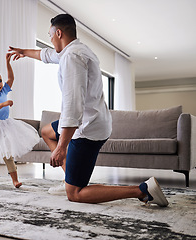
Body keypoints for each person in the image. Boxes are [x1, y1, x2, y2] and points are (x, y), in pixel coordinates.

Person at [9, 14, 168, 206]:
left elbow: (72, 105)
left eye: (50, 35)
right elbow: (47, 55)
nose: (49, 39)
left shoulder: (72, 57)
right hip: (92, 120)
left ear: (58, 32)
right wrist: (23, 52)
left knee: (75, 194)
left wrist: (61, 148)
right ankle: (70, 178)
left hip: (87, 128)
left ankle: (141, 190)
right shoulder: (75, 50)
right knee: (46, 132)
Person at [0, 53, 40, 188]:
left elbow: (11, 77)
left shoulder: (3, 91)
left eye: (0, 80)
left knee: (7, 153)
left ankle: (15, 180)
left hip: (5, 125)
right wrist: (3, 105)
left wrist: (7, 62)